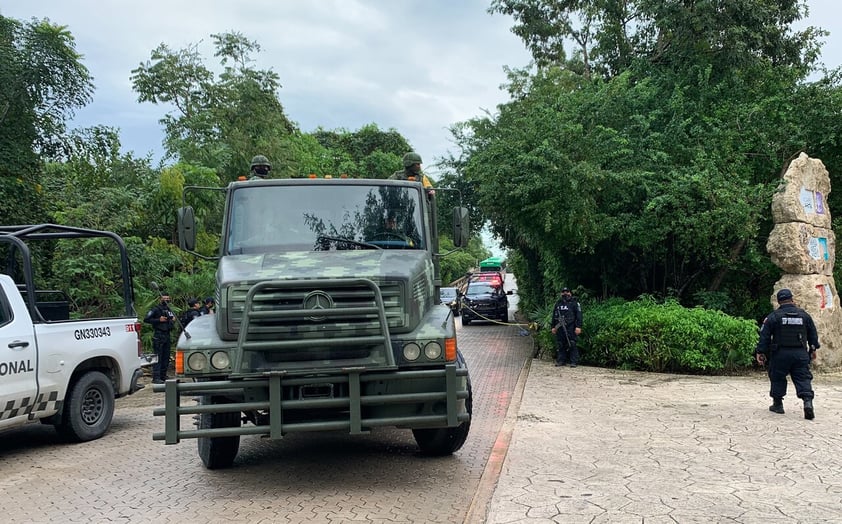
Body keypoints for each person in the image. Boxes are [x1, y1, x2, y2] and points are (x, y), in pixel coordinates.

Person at [755, 288, 819, 420]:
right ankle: (807, 402)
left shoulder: (773, 317)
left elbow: (764, 337)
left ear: (779, 301)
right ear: (792, 299)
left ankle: (778, 405)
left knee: (777, 377)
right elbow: (813, 334)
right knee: (803, 378)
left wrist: (760, 352)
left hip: (780, 353)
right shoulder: (804, 316)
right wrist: (813, 349)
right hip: (800, 353)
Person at [144, 293, 176, 384]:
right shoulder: (155, 309)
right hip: (159, 334)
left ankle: (163, 375)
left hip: (167, 334)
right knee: (158, 357)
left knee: (166, 357)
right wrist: (158, 320)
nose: (166, 300)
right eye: (164, 298)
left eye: (168, 299)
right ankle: (156, 377)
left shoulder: (169, 309)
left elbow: (171, 320)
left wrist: (172, 320)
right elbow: (146, 319)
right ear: (160, 299)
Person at [551, 287, 583, 367]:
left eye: (567, 292)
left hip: (571, 327)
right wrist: (553, 327)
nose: (565, 293)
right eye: (563, 292)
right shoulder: (558, 303)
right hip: (560, 327)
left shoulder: (575, 303)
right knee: (561, 344)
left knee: (572, 343)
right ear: (561, 293)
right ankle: (561, 361)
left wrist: (578, 326)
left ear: (570, 293)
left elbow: (579, 315)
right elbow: (554, 316)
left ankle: (574, 362)